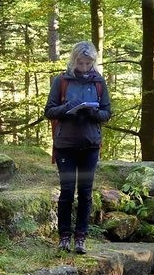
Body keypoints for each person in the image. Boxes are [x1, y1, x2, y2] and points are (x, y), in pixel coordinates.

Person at [43, 41, 111, 253]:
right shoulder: (61, 81)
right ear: (74, 60)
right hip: (65, 145)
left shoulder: (99, 82)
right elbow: (49, 111)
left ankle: (81, 237)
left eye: (88, 63)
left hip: (90, 145)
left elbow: (107, 113)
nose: (84, 67)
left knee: (85, 192)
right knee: (67, 191)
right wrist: (66, 108)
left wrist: (93, 113)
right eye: (80, 62)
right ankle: (64, 236)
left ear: (93, 62)